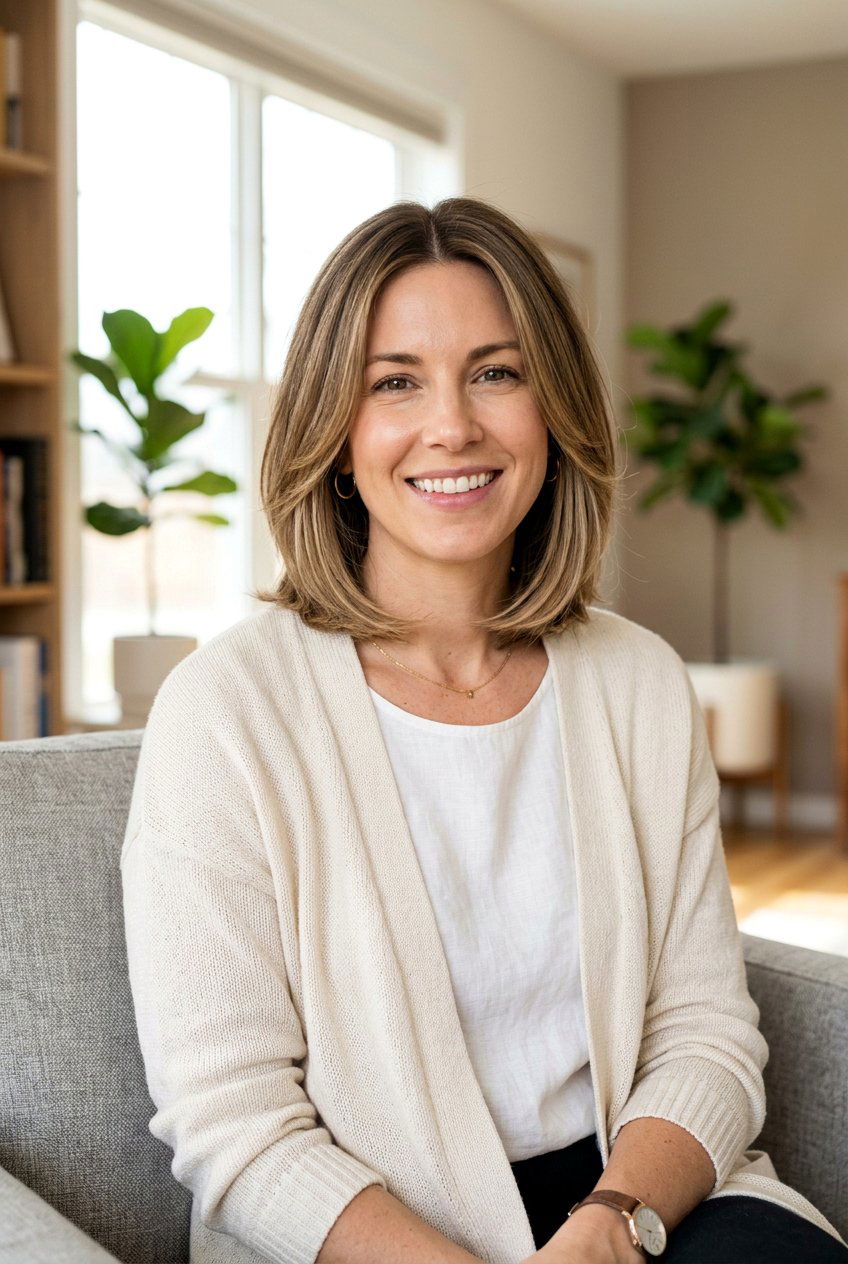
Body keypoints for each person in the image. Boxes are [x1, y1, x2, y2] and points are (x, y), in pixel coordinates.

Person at [121, 196, 848, 1264]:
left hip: (632, 1199)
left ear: (551, 410)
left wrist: (611, 1224)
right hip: (369, 1232)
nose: (451, 424)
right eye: (394, 381)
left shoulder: (638, 681)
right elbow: (235, 1123)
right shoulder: (225, 709)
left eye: (495, 372)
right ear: (334, 429)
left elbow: (704, 1029)